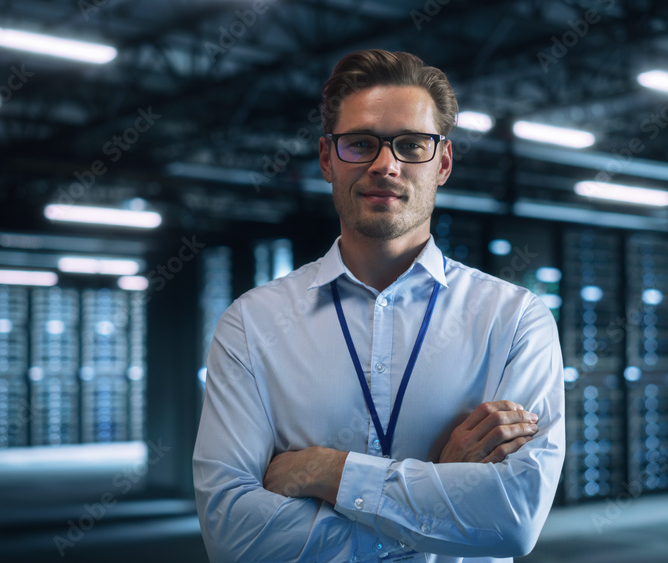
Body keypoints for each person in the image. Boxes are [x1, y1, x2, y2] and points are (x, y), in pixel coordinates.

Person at [193, 49, 565, 562]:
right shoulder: (252, 325)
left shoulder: (516, 320)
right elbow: (233, 536)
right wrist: (438, 487)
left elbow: (514, 521)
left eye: (412, 145)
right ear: (327, 158)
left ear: (443, 162)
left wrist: (329, 473)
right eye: (361, 144)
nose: (385, 165)